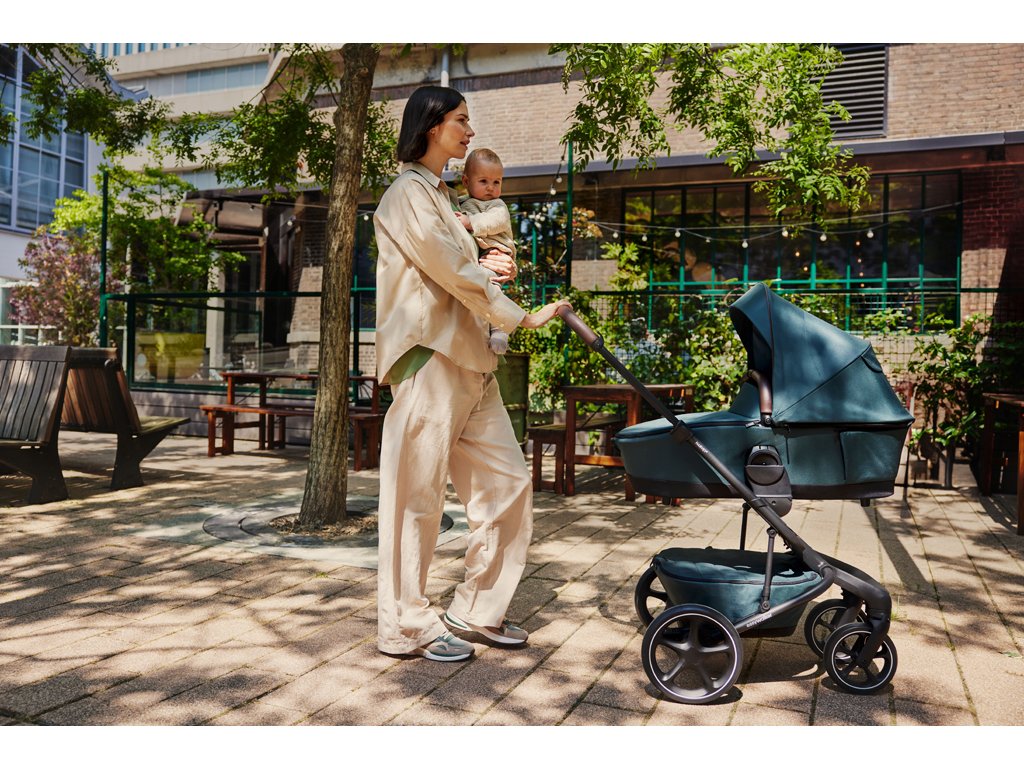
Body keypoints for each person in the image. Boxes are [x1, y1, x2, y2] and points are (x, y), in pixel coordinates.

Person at [373, 85, 571, 662]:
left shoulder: (445, 198)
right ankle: (405, 625)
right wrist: (519, 315)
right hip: (430, 359)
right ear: (433, 125)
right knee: (416, 498)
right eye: (462, 120)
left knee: (507, 485)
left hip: (473, 360)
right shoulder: (407, 194)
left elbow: (465, 265)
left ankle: (476, 610)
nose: (471, 130)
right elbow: (451, 269)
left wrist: (496, 265)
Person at [455, 147, 516, 354]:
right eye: (483, 181)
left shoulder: (497, 206)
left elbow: (497, 221)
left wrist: (470, 222)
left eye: (496, 182)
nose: (490, 187)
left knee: (491, 285)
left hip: (497, 252)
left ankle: (500, 328)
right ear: (466, 181)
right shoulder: (462, 203)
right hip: (481, 254)